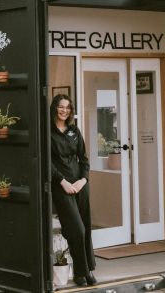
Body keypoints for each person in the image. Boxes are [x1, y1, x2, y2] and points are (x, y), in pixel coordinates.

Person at [50, 94, 97, 287]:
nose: (64, 110)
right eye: (61, 107)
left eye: (67, 107)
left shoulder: (74, 131)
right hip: (62, 186)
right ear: (55, 108)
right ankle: (81, 272)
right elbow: (47, 162)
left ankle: (86, 271)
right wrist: (62, 182)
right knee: (76, 229)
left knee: (85, 227)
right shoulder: (48, 131)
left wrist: (83, 180)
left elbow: (83, 159)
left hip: (80, 185)